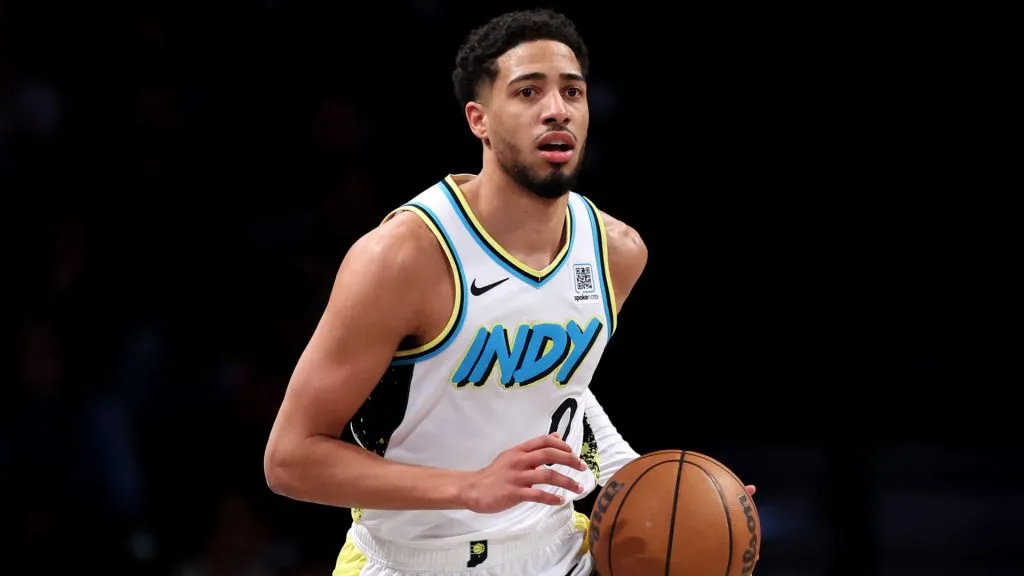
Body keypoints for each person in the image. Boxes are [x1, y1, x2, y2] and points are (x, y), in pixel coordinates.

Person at [265, 9, 756, 576]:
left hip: (555, 551)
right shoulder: (404, 258)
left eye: (572, 91)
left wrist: (660, 485)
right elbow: (290, 459)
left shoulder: (617, 253)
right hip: (409, 559)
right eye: (528, 91)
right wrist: (469, 487)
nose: (557, 109)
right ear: (479, 120)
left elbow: (562, 391)